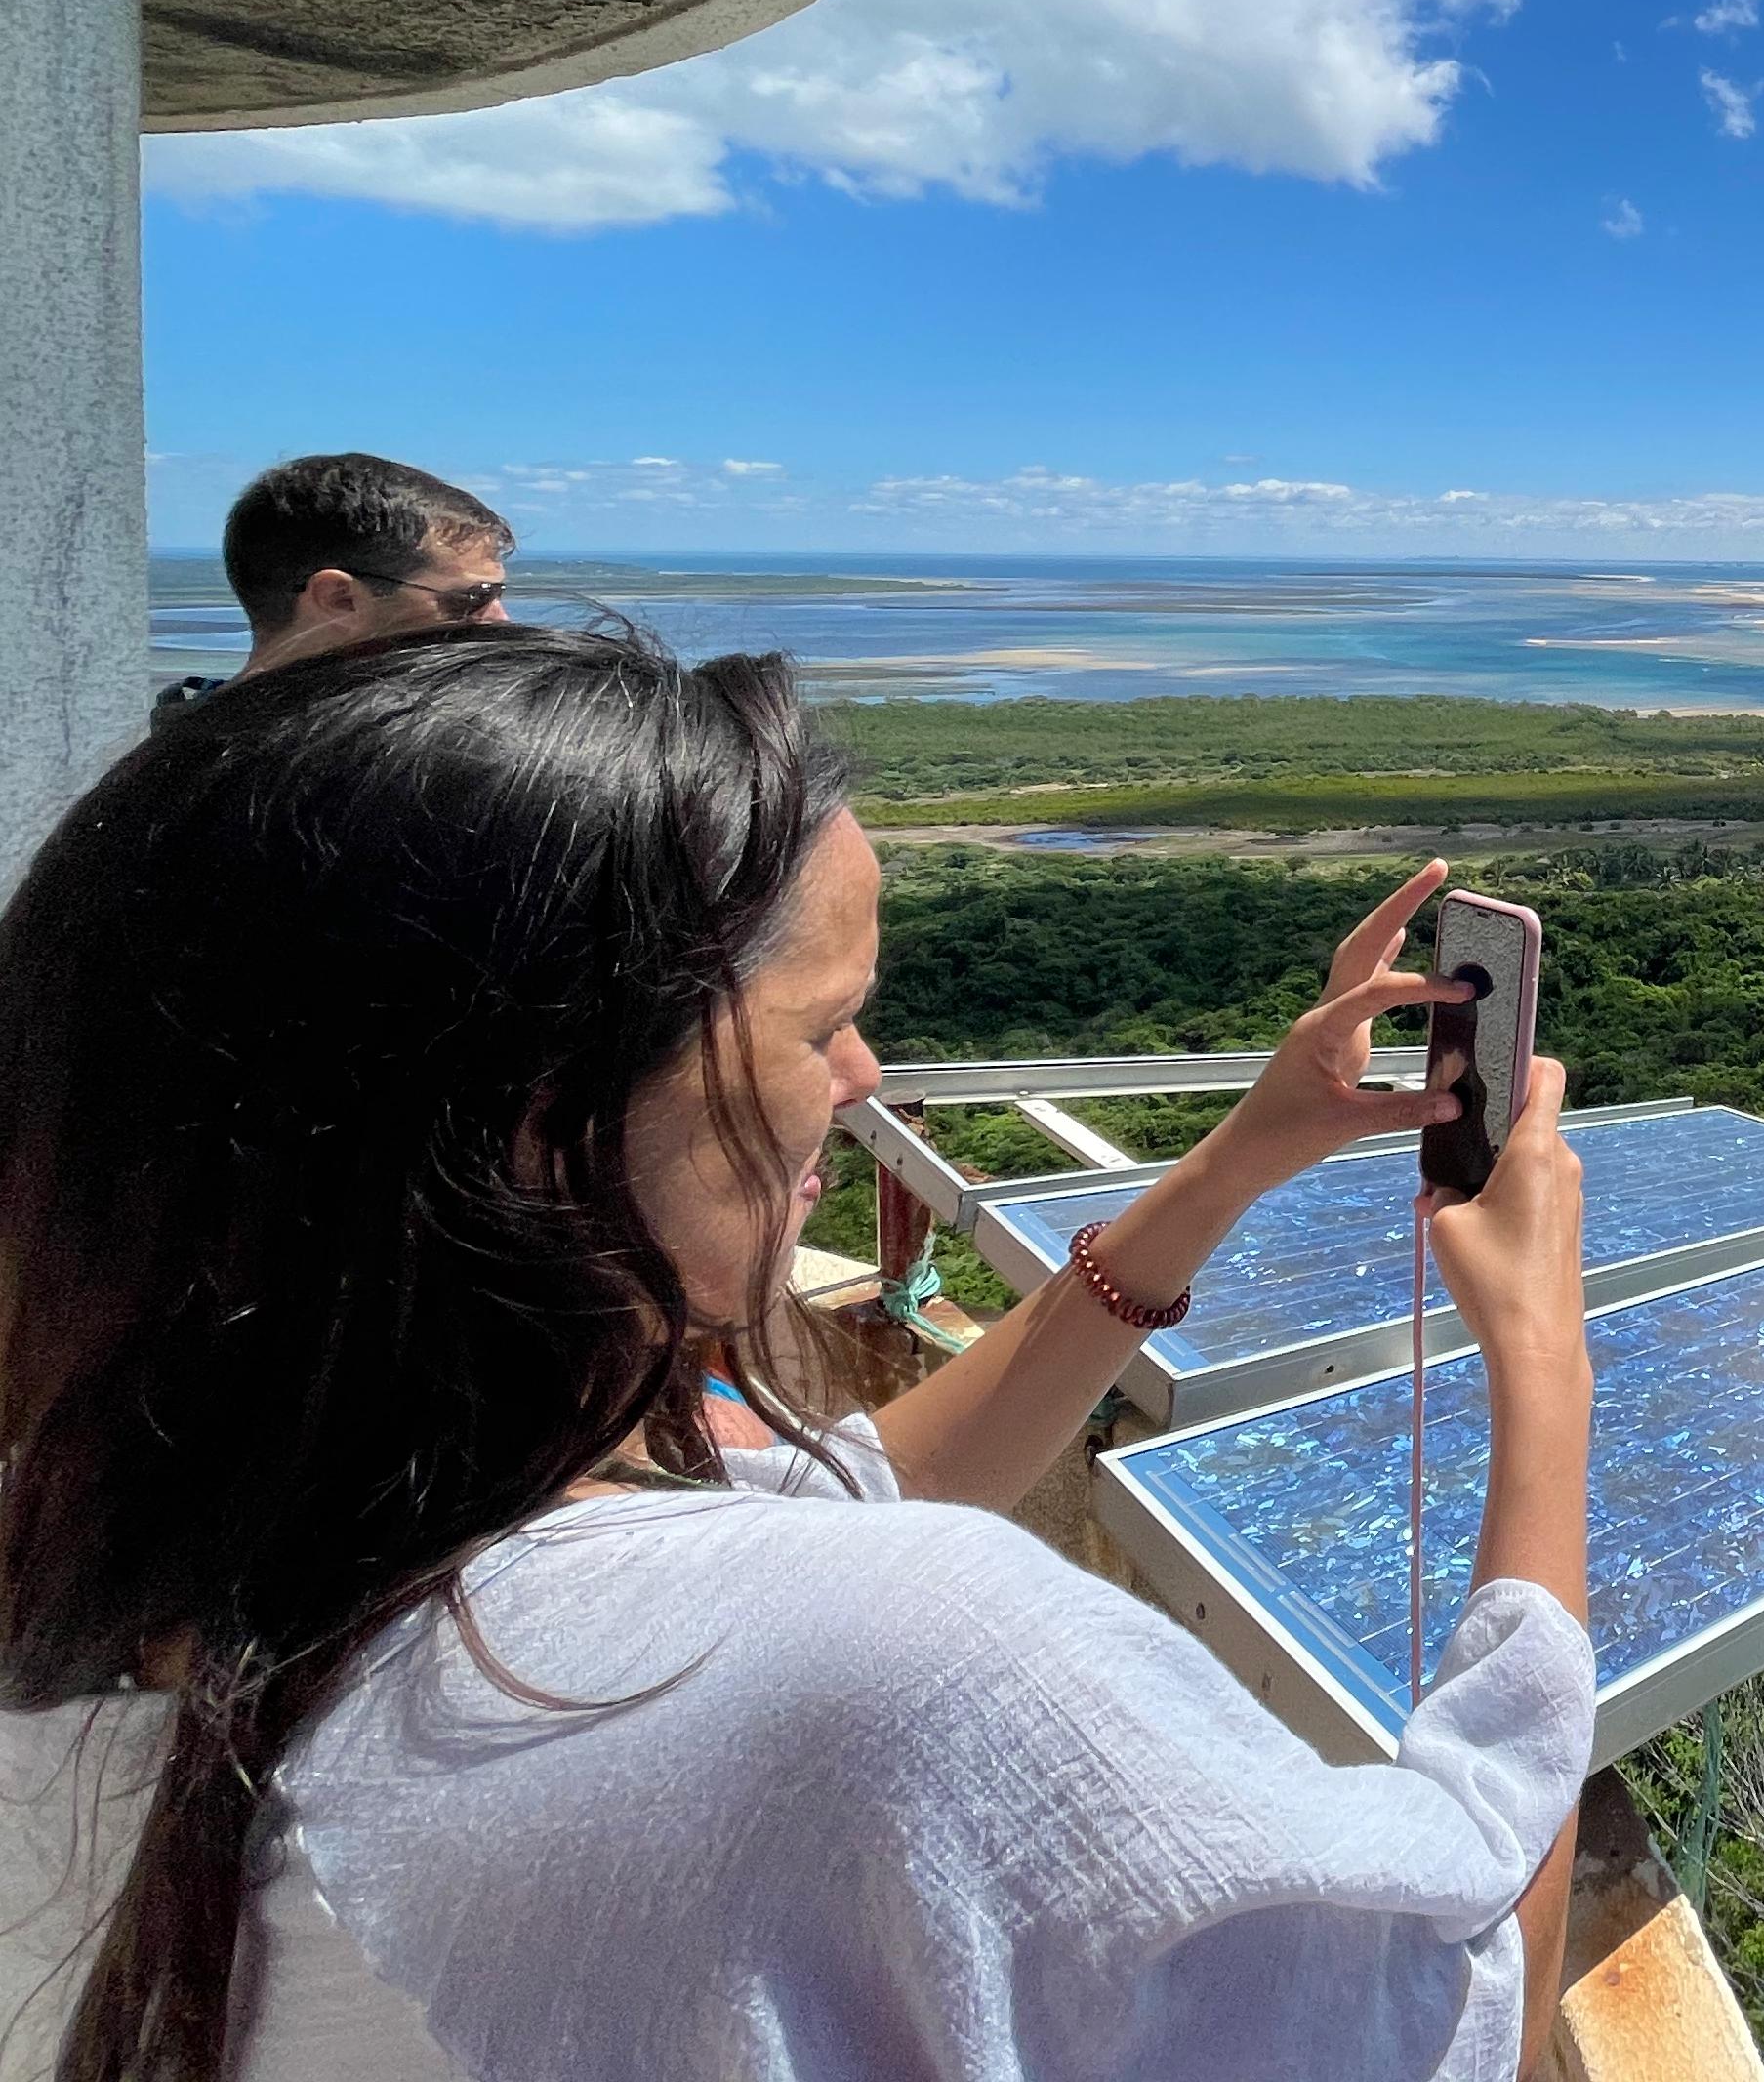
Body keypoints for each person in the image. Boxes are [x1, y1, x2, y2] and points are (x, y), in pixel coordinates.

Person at [0, 627, 1595, 2081]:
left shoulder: (245, 1519)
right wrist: (1542, 1360)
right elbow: (1453, 2001)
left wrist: (1242, 1152)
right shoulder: (900, 1663)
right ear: (544, 1117)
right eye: (820, 1022)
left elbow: (861, 1493)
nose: (864, 1074)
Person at [147, 454, 518, 725]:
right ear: (340, 600)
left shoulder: (184, 744)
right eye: (473, 598)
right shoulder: (358, 778)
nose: (501, 620)